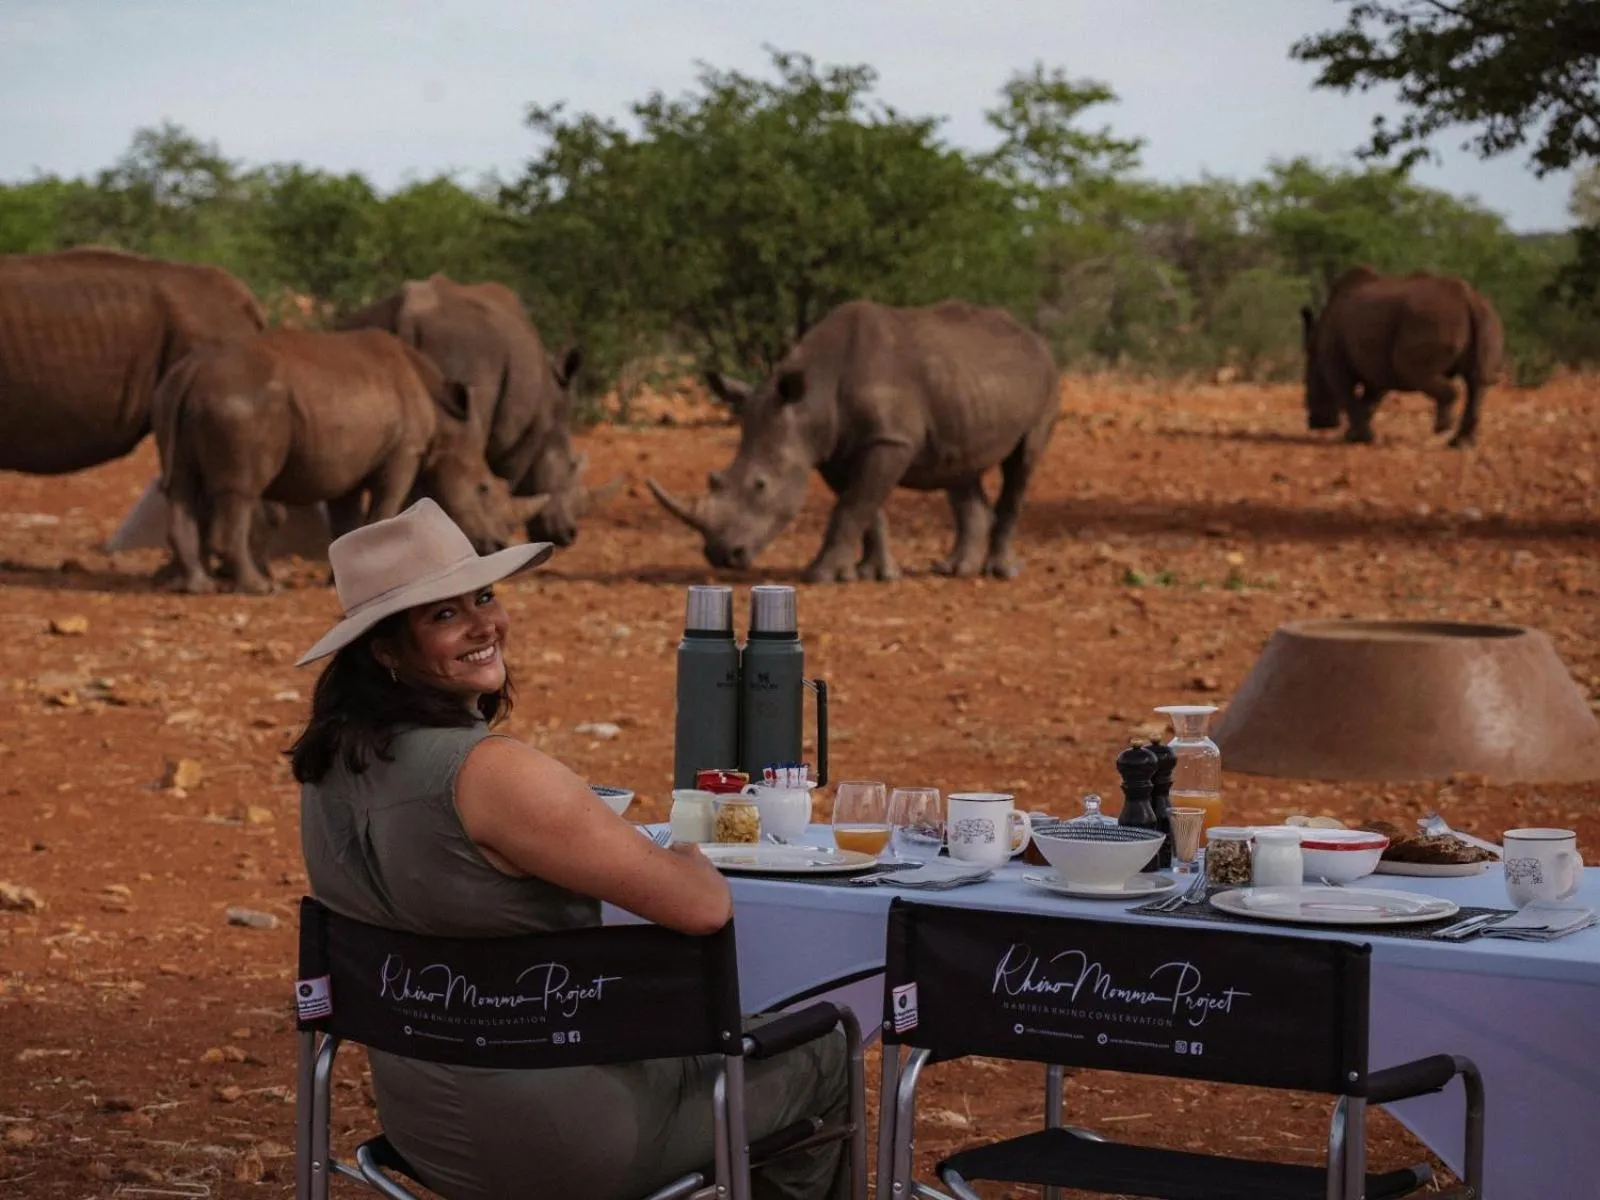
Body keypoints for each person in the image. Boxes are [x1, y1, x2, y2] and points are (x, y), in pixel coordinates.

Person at [290, 498, 848, 1200]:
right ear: (386, 652)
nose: (484, 624)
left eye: (484, 597)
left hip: (423, 1130)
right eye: (444, 615)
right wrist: (685, 844)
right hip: (567, 1141)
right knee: (824, 1047)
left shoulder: (327, 769)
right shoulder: (493, 773)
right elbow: (703, 906)